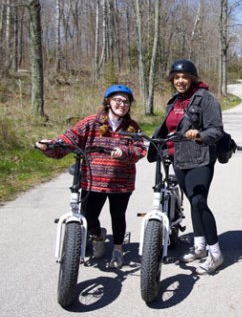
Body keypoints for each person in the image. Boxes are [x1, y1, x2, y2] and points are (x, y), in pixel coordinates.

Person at [35, 84, 147, 269]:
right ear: (108, 102)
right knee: (88, 216)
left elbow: (140, 149)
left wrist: (124, 151)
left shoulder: (132, 127)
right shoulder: (90, 122)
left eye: (126, 102)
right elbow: (69, 139)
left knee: (118, 216)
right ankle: (97, 235)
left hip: (121, 183)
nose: (122, 104)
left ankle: (118, 249)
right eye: (117, 100)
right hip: (92, 181)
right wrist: (52, 145)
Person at [149, 59, 224, 275]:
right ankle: (200, 246)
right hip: (178, 159)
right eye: (176, 77)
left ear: (192, 78)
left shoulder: (206, 99)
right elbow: (168, 129)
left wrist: (199, 134)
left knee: (200, 202)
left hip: (200, 158)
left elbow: (216, 130)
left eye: (184, 77)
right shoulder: (174, 102)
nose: (180, 81)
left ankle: (216, 253)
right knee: (192, 201)